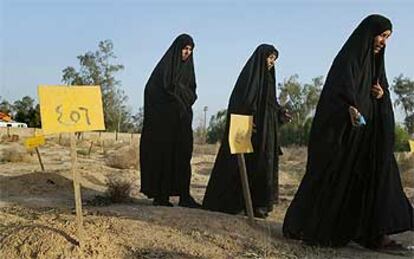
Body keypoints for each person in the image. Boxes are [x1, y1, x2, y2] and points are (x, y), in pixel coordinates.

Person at [283, 14, 413, 249]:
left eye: (387, 38)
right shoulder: (348, 61)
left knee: (379, 176)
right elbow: (336, 92)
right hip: (345, 137)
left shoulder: (376, 64)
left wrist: (381, 96)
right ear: (369, 34)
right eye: (381, 36)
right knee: (333, 178)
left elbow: (382, 96)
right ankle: (318, 228)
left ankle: (375, 233)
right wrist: (350, 107)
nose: (384, 42)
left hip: (368, 137)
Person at [203, 44, 290, 218]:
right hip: (250, 132)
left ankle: (260, 205)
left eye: (274, 59)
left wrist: (281, 113)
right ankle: (239, 203)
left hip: (266, 135)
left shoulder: (269, 82)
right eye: (269, 58)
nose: (272, 62)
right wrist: (248, 121)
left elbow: (270, 106)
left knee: (263, 167)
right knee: (244, 167)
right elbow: (241, 103)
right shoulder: (248, 79)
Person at [140, 33, 200, 208]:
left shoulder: (188, 72)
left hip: (181, 123)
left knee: (182, 157)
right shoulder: (163, 71)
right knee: (164, 158)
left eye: (190, 49)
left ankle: (184, 196)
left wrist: (181, 97)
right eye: (185, 49)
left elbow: (191, 93)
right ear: (177, 49)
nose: (187, 52)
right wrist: (173, 101)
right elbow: (152, 91)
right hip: (163, 127)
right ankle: (161, 196)